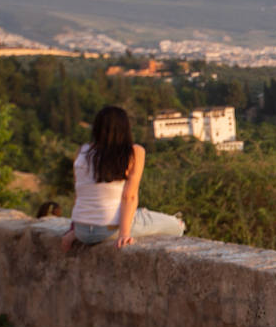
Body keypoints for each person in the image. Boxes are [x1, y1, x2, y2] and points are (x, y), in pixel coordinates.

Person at [62, 105, 185, 250]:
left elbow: (81, 193)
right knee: (177, 225)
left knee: (140, 214)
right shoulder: (134, 152)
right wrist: (124, 233)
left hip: (82, 231)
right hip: (108, 229)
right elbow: (129, 196)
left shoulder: (83, 151)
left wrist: (73, 230)